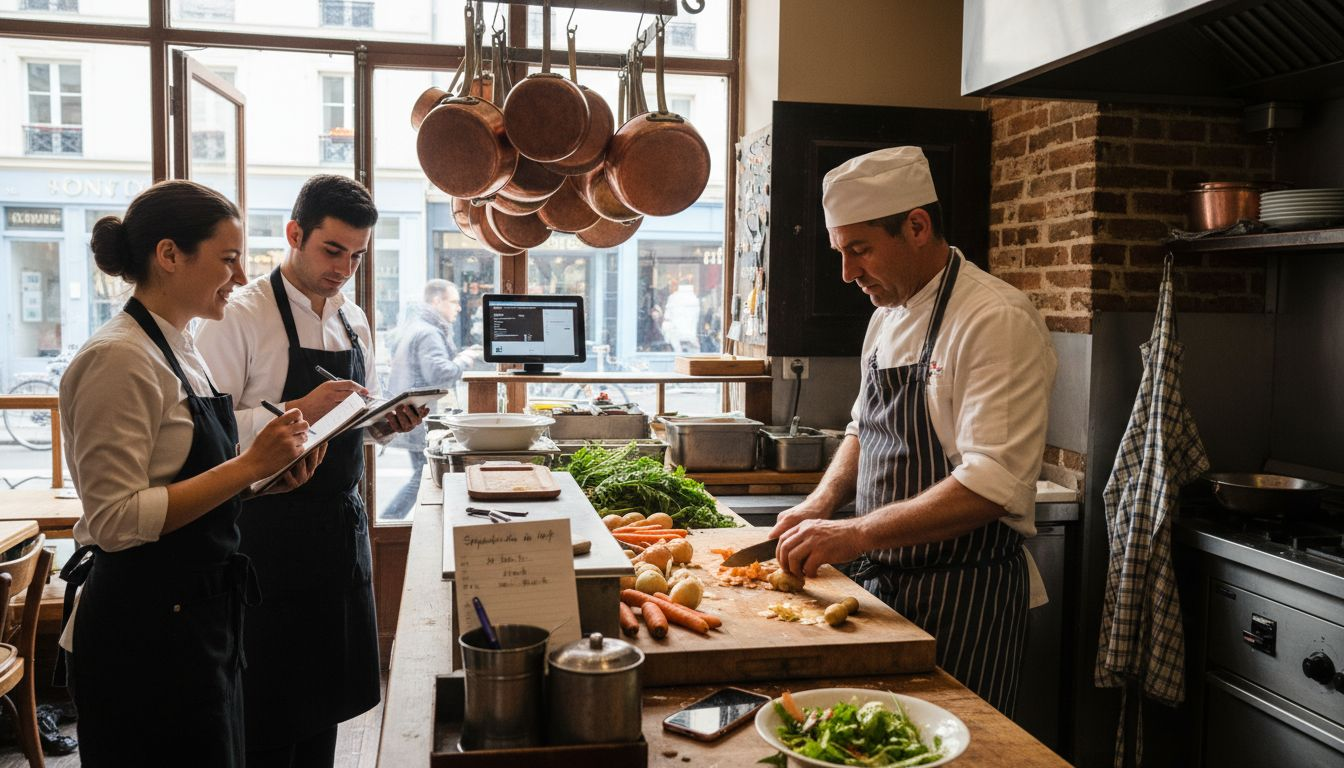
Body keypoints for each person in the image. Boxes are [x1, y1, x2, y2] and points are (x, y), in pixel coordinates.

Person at [770, 147, 1057, 715]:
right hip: (885, 591)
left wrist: (853, 536)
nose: (847, 273)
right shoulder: (884, 317)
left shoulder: (994, 318)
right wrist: (820, 503)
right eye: (840, 252)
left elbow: (991, 483)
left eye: (860, 250)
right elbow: (863, 428)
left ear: (917, 226)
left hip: (965, 596)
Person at [58, 180, 325, 766]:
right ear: (169, 254)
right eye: (227, 259)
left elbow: (190, 479)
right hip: (141, 634)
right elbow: (115, 520)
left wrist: (267, 478)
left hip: (201, 619)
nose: (238, 275)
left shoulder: (181, 349)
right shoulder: (116, 359)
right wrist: (250, 463)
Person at [195, 175, 425, 767]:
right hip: (264, 532)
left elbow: (346, 425)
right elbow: (208, 433)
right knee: (269, 713)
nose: (344, 268)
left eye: (357, 255)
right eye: (332, 250)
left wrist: (380, 424)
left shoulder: (354, 320)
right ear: (295, 234)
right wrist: (294, 412)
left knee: (326, 703)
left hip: (336, 528)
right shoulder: (238, 316)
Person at [380, 280, 481, 520]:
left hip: (412, 413)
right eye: (454, 302)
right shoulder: (428, 332)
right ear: (437, 301)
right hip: (419, 416)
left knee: (426, 473)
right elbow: (440, 373)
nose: (458, 308)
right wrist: (464, 359)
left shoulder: (416, 326)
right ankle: (389, 519)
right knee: (425, 475)